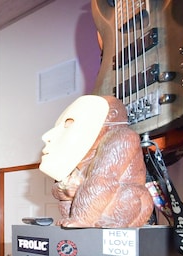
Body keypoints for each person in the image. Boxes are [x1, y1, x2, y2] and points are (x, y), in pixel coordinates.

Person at [39, 95, 153, 228]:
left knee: (126, 194)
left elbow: (103, 180)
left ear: (111, 115)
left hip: (124, 206)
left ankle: (87, 220)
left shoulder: (122, 136)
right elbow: (58, 185)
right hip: (92, 208)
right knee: (67, 201)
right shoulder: (82, 145)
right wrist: (65, 190)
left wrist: (82, 218)